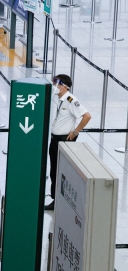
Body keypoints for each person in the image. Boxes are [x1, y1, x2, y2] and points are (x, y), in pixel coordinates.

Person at [47, 73, 92, 209]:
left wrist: (76, 131)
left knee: (60, 171)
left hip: (63, 140)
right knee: (54, 170)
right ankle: (55, 199)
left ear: (65, 87)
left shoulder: (71, 100)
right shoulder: (62, 100)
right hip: (55, 140)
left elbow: (87, 116)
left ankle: (60, 201)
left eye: (57, 84)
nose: (55, 86)